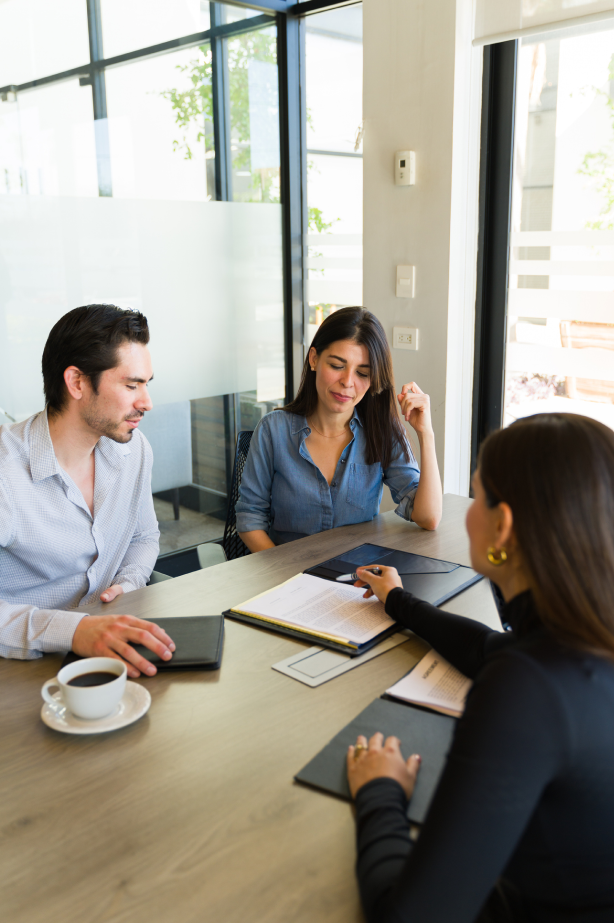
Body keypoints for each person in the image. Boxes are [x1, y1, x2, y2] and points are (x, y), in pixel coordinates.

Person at [345, 412, 614, 923]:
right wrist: (399, 602)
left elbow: (409, 916)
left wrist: (381, 792)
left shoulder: (529, 688)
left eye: (475, 496)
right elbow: (493, 649)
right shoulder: (585, 637)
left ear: (503, 525)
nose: (464, 512)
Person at [0, 304, 175, 677]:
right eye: (131, 385)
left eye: (146, 384)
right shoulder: (6, 473)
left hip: (114, 649)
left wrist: (128, 583)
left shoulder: (134, 449)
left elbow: (144, 537)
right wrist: (74, 630)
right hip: (22, 668)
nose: (146, 402)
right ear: (77, 382)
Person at [236, 307, 442, 551]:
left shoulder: (381, 431)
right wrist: (286, 579)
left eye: (362, 373)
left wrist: (425, 434)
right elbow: (250, 519)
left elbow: (428, 517)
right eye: (336, 365)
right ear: (314, 359)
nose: (347, 382)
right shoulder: (273, 430)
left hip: (357, 578)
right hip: (289, 577)